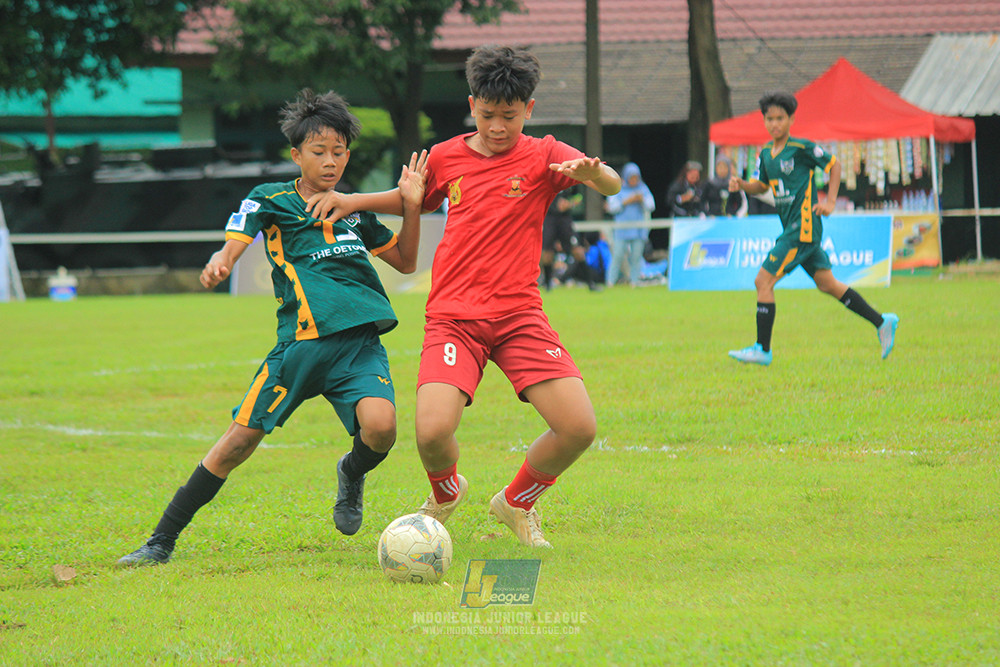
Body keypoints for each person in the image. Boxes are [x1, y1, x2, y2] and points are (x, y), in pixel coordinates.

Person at [306, 45, 622, 548]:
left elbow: (611, 183)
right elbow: (411, 199)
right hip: (454, 318)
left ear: (529, 110)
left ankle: (517, 502)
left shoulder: (545, 154)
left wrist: (594, 174)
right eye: (488, 115)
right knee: (431, 432)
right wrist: (352, 201)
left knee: (578, 427)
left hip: (520, 317)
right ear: (473, 105)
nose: (497, 127)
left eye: (509, 117)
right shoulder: (446, 156)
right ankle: (447, 491)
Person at [116, 89, 427, 566]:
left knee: (382, 429)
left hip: (359, 345)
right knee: (236, 443)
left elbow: (405, 262)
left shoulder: (355, 210)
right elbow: (240, 231)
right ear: (296, 155)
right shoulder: (272, 198)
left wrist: (412, 206)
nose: (330, 161)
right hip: (300, 347)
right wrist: (223, 259)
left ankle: (351, 472)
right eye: (319, 151)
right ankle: (161, 541)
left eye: (339, 152)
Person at [727, 91, 898, 366]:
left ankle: (762, 349)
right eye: (769, 119)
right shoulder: (765, 154)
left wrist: (830, 201)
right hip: (794, 228)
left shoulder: (801, 148)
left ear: (791, 119)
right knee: (827, 284)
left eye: (780, 118)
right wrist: (742, 184)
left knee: (763, 281)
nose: (774, 124)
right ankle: (882, 322)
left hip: (803, 227)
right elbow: (762, 186)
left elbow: (834, 165)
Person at [604, 162, 655, 287]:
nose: (634, 181)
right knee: (617, 256)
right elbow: (612, 207)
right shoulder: (618, 188)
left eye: (636, 178)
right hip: (622, 230)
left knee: (636, 257)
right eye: (632, 178)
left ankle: (635, 281)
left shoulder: (643, 188)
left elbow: (651, 206)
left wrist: (642, 200)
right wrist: (627, 201)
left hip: (638, 230)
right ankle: (610, 281)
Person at [540, 189, 597, 290]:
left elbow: (579, 196)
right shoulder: (545, 181)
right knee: (547, 253)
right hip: (549, 218)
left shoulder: (569, 181)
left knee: (577, 251)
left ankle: (590, 283)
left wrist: (570, 203)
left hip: (564, 219)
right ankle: (547, 284)